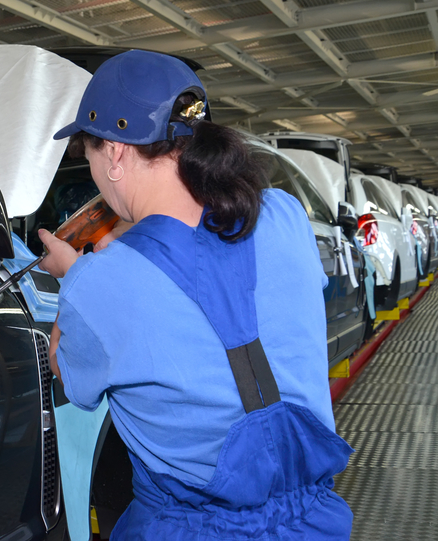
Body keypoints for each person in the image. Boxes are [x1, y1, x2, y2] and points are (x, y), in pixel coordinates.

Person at [38, 50, 353, 540]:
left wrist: (75, 275)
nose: (94, 172)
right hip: (314, 521)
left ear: (117, 154)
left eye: (89, 153)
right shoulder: (285, 213)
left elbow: (65, 368)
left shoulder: (101, 282)